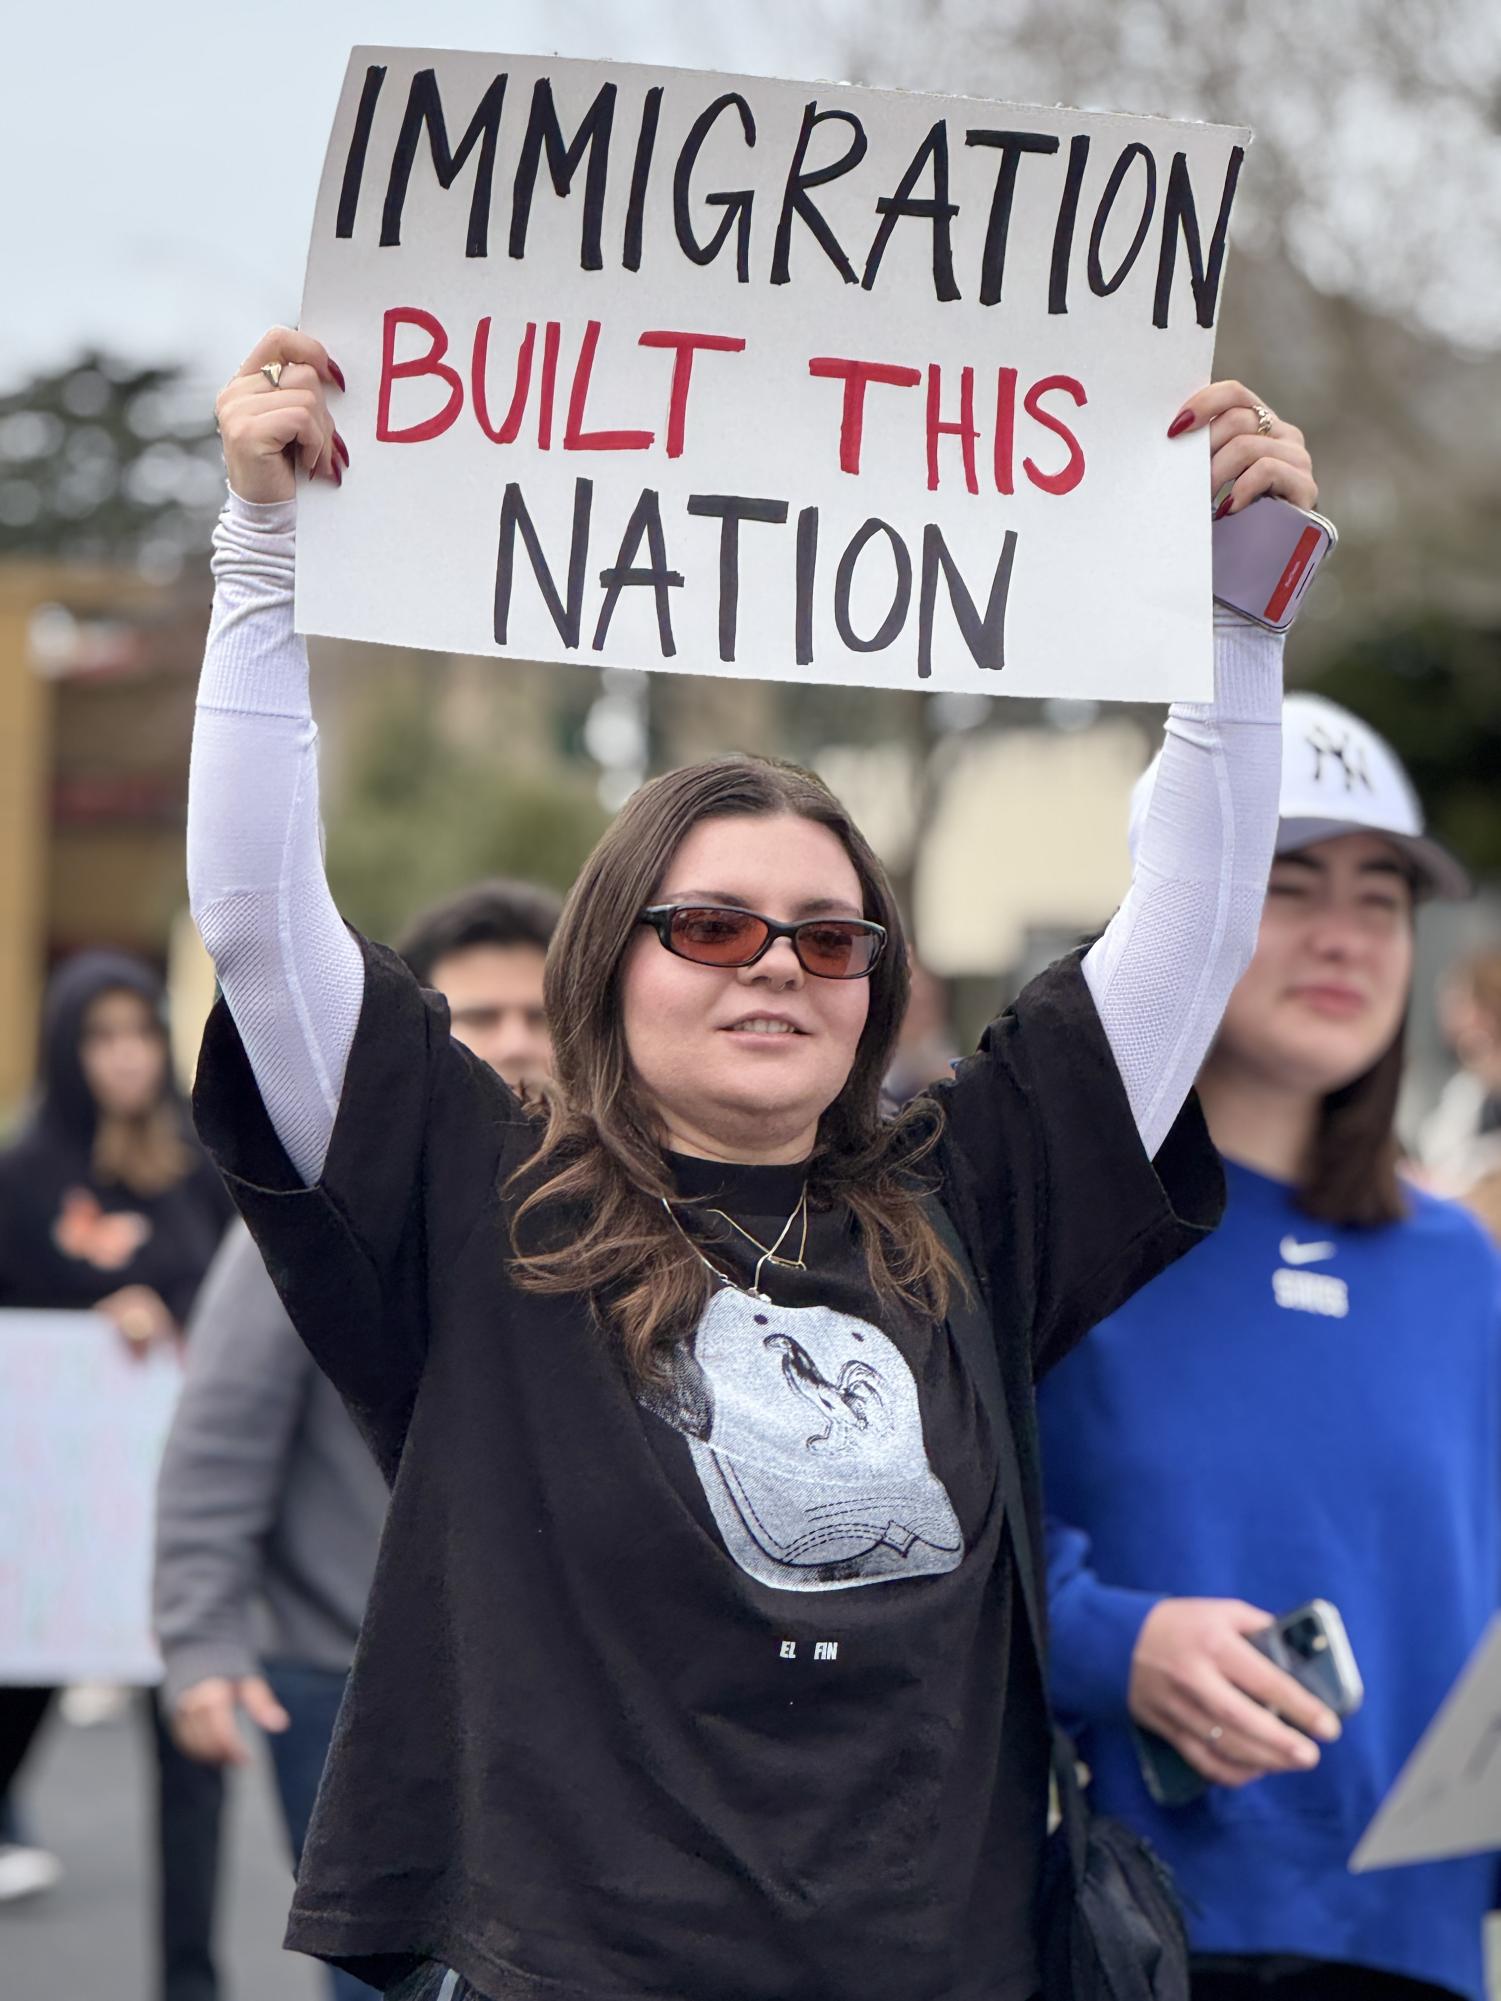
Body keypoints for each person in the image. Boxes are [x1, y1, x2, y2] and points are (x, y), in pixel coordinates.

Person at [184, 324, 1316, 2001]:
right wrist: (262, 553)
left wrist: (1234, 617)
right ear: (607, 963)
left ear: (877, 987)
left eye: (829, 934)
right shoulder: (481, 1197)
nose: (774, 962)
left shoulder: (973, 1196)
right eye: (710, 923)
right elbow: (267, 931)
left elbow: (1194, 927)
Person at [1040, 694, 1498, 2001]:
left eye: (1380, 896)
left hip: (1415, 1943)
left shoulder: (1455, 1262)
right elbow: (943, 1545)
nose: (1343, 936)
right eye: (1289, 885)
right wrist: (1112, 1645)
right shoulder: (1054, 1229)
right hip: (1139, 1932)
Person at [154, 878, 561, 2001]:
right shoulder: (330, 1204)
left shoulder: (609, 1213)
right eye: (481, 1017)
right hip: (343, 1672)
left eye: (541, 1016)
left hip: (538, 1681)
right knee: (390, 1977)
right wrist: (200, 1643)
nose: (515, 1044)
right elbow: (219, 1435)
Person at [0, 952, 235, 1998]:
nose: (125, 1057)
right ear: (66, 1048)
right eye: (99, 1037)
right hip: (49, 1535)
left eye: (139, 1032)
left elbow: (245, 1312)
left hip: (174, 1522)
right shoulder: (22, 1175)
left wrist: (164, 1318)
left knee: (193, 1773)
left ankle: (191, 1981)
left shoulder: (201, 1169)